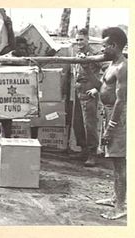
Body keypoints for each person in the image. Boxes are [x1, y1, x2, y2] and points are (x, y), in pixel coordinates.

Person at [83, 27, 127, 220]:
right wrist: (86, 69)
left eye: (104, 46)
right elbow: (101, 86)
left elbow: (121, 100)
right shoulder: (111, 64)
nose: (102, 50)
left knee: (119, 163)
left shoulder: (123, 67)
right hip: (109, 114)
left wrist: (111, 127)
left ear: (114, 45)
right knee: (114, 161)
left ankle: (121, 206)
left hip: (119, 118)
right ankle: (117, 197)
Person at [72, 28, 102, 167]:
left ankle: (92, 154)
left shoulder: (95, 54)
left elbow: (106, 72)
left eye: (81, 40)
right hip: (78, 90)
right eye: (77, 40)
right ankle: (84, 150)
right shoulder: (77, 53)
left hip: (89, 90)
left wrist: (97, 88)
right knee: (77, 123)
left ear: (87, 40)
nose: (79, 42)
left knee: (89, 124)